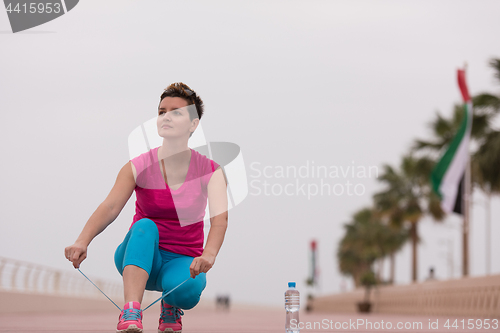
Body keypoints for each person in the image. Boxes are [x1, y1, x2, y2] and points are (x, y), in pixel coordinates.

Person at [64, 82, 228, 333]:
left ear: (193, 124)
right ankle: (131, 309)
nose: (166, 117)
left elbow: (219, 220)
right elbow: (110, 207)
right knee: (145, 226)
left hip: (182, 260)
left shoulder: (211, 171)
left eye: (176, 112)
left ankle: (170, 304)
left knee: (188, 291)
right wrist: (82, 241)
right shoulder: (138, 166)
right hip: (138, 257)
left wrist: (209, 254)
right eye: (162, 111)